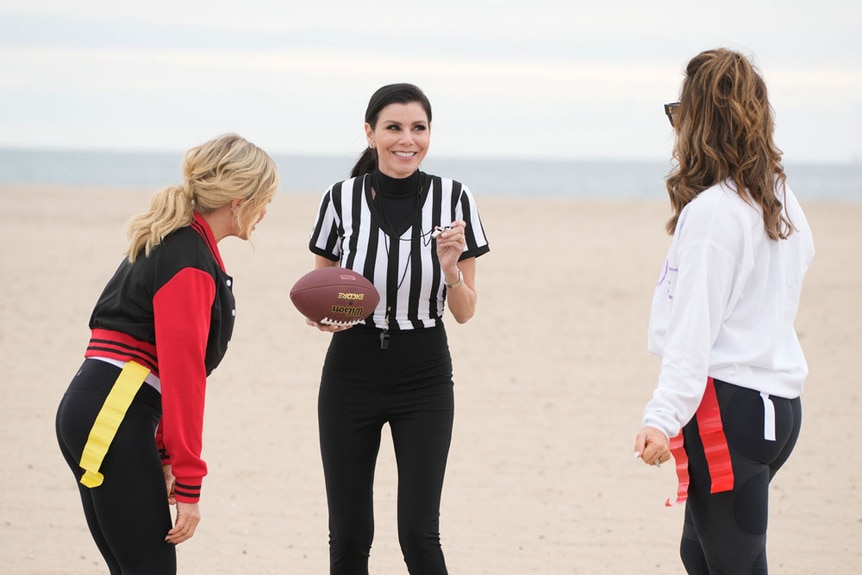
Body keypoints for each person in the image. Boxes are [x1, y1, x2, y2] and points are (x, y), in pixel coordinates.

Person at [55, 133, 279, 574]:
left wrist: (160, 454)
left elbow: (149, 362)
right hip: (113, 412)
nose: (267, 211)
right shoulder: (189, 257)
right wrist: (190, 482)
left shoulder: (176, 240)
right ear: (239, 200)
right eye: (265, 199)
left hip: (101, 404)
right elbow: (182, 377)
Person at [633, 48, 815, 573]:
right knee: (701, 552)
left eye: (679, 110)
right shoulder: (778, 196)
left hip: (726, 407)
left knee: (731, 563)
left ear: (700, 119)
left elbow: (694, 333)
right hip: (776, 408)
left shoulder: (714, 213)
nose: (675, 125)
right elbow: (794, 270)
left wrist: (660, 417)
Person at [305, 83, 490, 574]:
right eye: (393, 127)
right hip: (351, 371)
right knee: (348, 535)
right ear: (370, 133)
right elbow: (324, 291)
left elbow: (466, 312)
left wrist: (451, 269)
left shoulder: (455, 199)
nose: (407, 139)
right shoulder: (340, 199)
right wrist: (325, 315)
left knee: (418, 534)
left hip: (424, 373)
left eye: (418, 128)